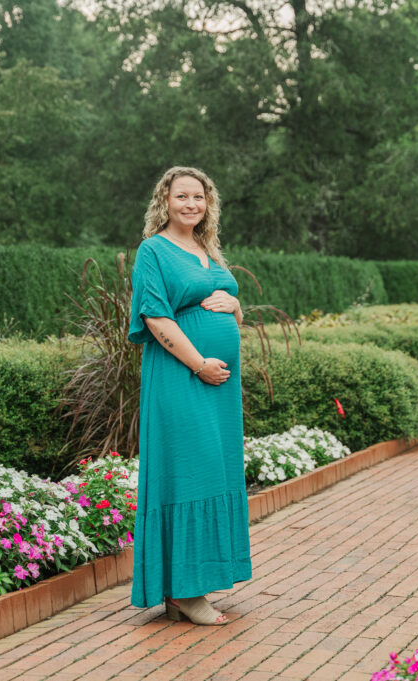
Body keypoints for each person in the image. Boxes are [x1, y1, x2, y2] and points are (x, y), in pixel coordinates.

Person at [127, 166, 252, 625]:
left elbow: (230, 317)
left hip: (218, 387)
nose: (191, 204)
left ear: (207, 203)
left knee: (214, 472)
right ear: (165, 200)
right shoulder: (153, 251)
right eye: (182, 196)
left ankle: (199, 579)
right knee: (189, 472)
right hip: (182, 379)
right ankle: (183, 590)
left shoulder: (205, 249)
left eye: (198, 197)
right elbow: (156, 319)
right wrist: (199, 363)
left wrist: (236, 306)